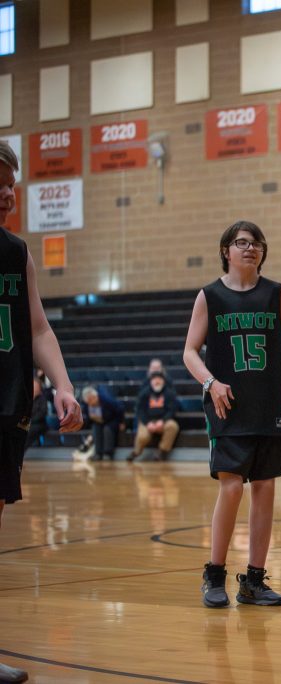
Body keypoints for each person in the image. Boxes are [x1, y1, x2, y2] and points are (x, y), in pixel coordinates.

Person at [183, 220, 281, 609]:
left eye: (256, 242)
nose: (250, 248)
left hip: (271, 404)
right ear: (226, 250)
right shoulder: (210, 296)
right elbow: (189, 352)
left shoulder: (276, 293)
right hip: (228, 405)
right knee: (232, 486)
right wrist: (210, 383)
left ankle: (254, 580)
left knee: (266, 488)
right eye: (241, 242)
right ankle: (214, 574)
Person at [0, 138, 82, 684]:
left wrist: (64, 385)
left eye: (12, 184)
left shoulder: (17, 252)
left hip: (7, 405)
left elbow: (37, 327)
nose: (8, 193)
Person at [129, 369, 180, 462]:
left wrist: (163, 421)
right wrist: (148, 423)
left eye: (159, 379)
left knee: (173, 426)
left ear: (163, 381)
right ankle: (136, 452)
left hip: (163, 422)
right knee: (143, 436)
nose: (157, 381)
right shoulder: (144, 393)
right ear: (151, 381)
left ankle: (162, 452)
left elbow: (172, 410)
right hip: (148, 421)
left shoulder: (169, 393)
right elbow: (139, 410)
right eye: (154, 379)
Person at [81, 385, 125, 460]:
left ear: (95, 396)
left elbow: (120, 409)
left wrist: (121, 422)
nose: (90, 404)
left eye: (90, 401)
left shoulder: (106, 399)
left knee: (107, 429)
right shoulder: (87, 405)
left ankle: (108, 453)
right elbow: (88, 418)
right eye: (88, 402)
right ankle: (98, 453)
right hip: (99, 421)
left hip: (112, 420)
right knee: (95, 428)